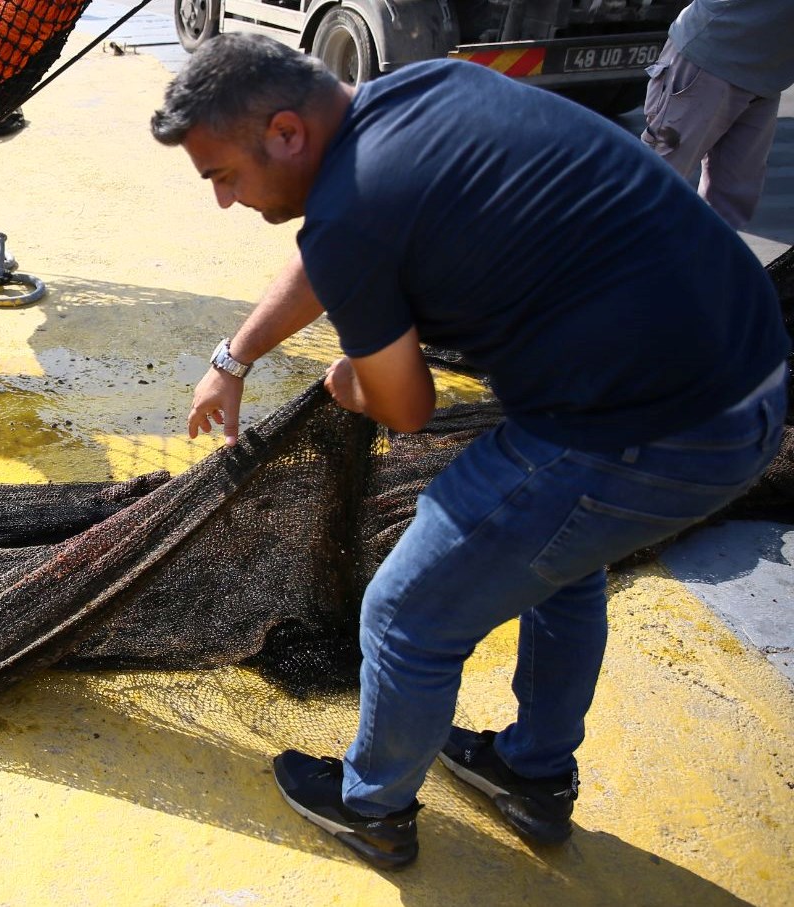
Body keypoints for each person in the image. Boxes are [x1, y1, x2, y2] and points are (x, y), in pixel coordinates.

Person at [151, 33, 788, 870]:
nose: (224, 201)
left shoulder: (351, 216)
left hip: (652, 433)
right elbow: (327, 259)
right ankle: (533, 772)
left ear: (284, 133)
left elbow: (406, 407)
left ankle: (370, 806)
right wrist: (233, 359)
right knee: (561, 565)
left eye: (222, 175)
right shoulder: (426, 89)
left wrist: (353, 383)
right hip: (753, 383)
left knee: (404, 616)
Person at [642, 0, 794, 229]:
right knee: (654, 183)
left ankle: (703, 263)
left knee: (729, 206)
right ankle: (606, 260)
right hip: (713, 55)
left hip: (766, 75)